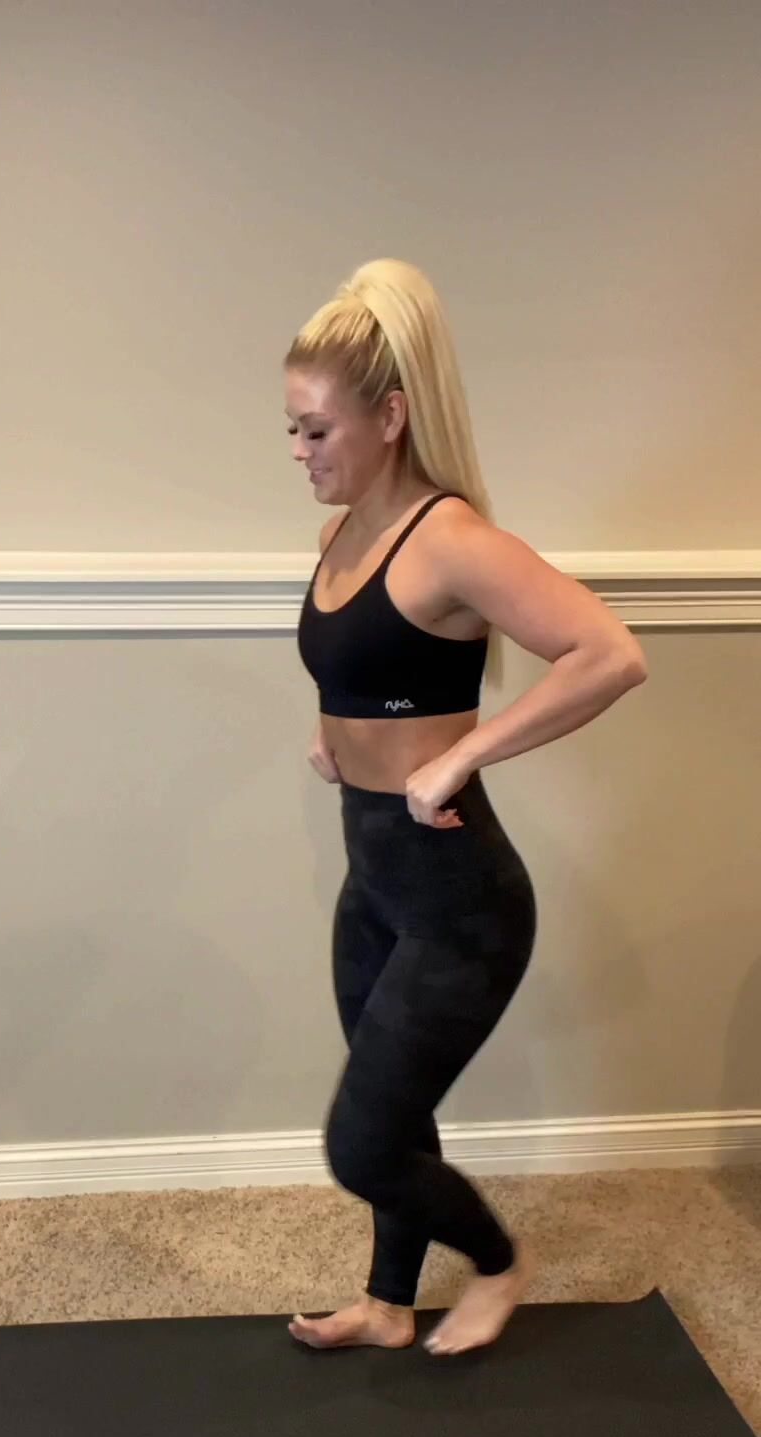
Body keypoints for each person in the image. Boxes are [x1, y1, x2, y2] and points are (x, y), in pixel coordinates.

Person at [283, 258, 647, 1357]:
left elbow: (610, 653)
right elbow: (369, 667)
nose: (300, 452)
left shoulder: (451, 540)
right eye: (293, 430)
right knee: (395, 1119)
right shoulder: (340, 536)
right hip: (374, 882)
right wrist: (337, 733)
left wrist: (463, 757)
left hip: (457, 899)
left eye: (317, 430)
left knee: (359, 1145)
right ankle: (389, 1304)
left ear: (390, 417)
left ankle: (499, 1263)